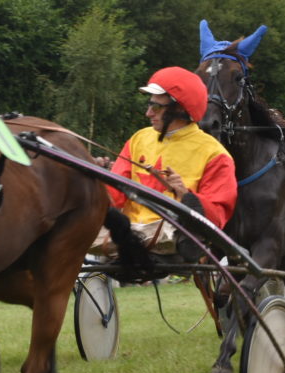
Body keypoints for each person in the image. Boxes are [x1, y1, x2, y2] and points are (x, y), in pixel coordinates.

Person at [92, 66, 237, 260]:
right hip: (128, 235)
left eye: (156, 107)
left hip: (173, 240)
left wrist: (185, 195)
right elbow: (113, 195)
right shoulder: (138, 139)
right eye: (149, 105)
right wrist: (92, 183)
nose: (148, 113)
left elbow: (217, 216)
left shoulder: (215, 154)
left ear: (180, 109)